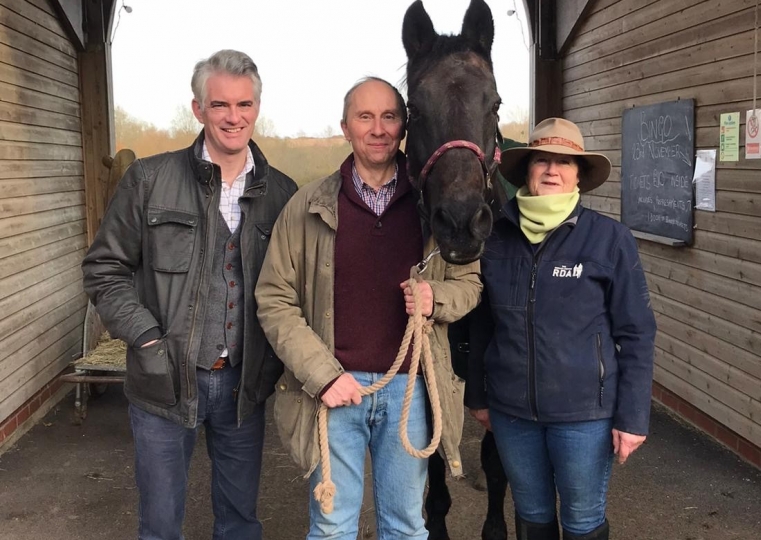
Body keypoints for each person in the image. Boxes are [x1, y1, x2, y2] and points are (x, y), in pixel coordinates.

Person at [82, 50, 298, 540]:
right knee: (160, 525)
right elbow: (103, 268)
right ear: (198, 109)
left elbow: (295, 289)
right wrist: (146, 339)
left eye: (244, 104)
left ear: (256, 109)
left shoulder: (282, 194)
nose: (233, 117)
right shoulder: (148, 181)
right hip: (164, 381)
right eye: (219, 104)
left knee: (241, 522)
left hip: (244, 385)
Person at [255, 77, 481, 540]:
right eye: (365, 117)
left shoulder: (433, 207)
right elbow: (275, 299)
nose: (377, 129)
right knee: (333, 525)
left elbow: (470, 283)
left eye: (389, 116)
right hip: (335, 389)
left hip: (411, 391)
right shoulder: (308, 206)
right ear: (345, 127)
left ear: (403, 127)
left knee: (405, 525)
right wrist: (322, 375)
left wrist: (435, 299)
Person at [465, 117, 657, 540]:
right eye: (543, 160)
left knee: (582, 521)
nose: (552, 170)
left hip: (584, 417)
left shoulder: (609, 239)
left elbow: (637, 333)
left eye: (565, 162)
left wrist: (633, 417)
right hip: (513, 414)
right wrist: (477, 396)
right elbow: (483, 324)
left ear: (579, 176)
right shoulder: (495, 237)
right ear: (527, 170)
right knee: (532, 516)